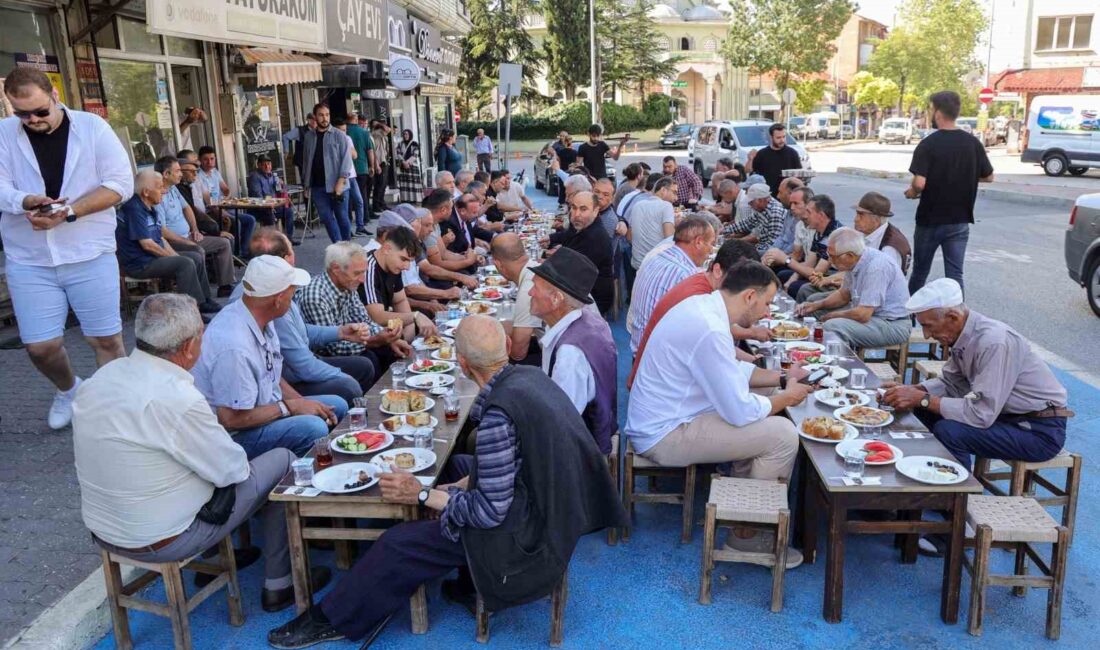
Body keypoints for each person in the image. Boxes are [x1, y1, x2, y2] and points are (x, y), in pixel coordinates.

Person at [267, 315, 626, 649]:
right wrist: (450, 488)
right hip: (553, 503)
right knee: (455, 467)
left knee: (397, 543)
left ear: (464, 365)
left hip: (528, 533)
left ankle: (333, 619)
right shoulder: (529, 378)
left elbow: (489, 513)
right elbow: (515, 463)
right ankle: (466, 584)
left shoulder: (499, 416)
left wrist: (422, 493)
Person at [72, 293, 330, 613]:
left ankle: (221, 557)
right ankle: (280, 584)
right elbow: (233, 471)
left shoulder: (101, 378)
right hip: (163, 538)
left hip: (104, 530)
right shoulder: (177, 396)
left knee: (188, 468)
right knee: (282, 461)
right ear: (189, 346)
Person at [626, 261, 811, 566]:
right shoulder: (710, 327)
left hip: (669, 415)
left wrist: (780, 379)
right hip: (665, 433)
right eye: (766, 303)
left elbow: (730, 369)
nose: (767, 312)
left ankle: (742, 494)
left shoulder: (705, 307)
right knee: (783, 435)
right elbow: (739, 412)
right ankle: (747, 538)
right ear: (750, 296)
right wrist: (787, 397)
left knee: (766, 399)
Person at [0, 67, 132, 429]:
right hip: (29, 258)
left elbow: (121, 184)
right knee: (40, 347)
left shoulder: (92, 128)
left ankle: (114, 409)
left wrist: (69, 212)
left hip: (90, 252)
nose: (33, 120)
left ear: (55, 95)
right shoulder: (4, 135)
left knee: (106, 339)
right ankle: (69, 389)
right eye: (22, 114)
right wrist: (24, 200)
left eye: (40, 111)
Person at [882, 278, 1071, 469]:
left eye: (929, 326)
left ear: (953, 317)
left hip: (1037, 430)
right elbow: (951, 384)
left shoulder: (994, 342)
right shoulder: (963, 334)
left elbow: (981, 414)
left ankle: (957, 493)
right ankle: (922, 469)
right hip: (1004, 416)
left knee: (949, 431)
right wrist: (912, 391)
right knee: (922, 409)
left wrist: (922, 398)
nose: (926, 335)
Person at [191, 256, 348, 458]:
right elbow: (230, 419)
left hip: (261, 411)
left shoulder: (259, 316)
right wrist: (290, 407)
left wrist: (301, 404)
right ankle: (294, 480)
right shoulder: (234, 345)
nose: (292, 302)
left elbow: (270, 373)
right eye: (292, 295)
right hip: (232, 438)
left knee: (336, 404)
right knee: (313, 427)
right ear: (278, 299)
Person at [240, 229, 377, 402]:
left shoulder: (272, 289)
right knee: (348, 387)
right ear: (281, 260)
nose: (293, 256)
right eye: (290, 250)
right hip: (287, 378)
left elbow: (301, 331)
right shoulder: (273, 300)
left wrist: (340, 332)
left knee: (365, 364)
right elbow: (303, 365)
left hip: (289, 370)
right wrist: (341, 376)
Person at [627, 239, 762, 388]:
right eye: (739, 281)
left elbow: (719, 347)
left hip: (650, 374)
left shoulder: (700, 282)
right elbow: (723, 372)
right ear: (717, 271)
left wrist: (752, 360)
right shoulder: (699, 299)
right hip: (658, 386)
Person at [905, 90, 994, 295]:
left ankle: (906, 318)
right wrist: (967, 176)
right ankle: (958, 320)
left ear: (937, 113)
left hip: (930, 221)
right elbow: (989, 176)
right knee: (955, 275)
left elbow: (919, 183)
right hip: (959, 221)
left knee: (920, 272)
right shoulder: (973, 143)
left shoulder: (928, 144)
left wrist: (911, 192)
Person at [528, 248, 617, 454]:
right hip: (591, 429)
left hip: (580, 454)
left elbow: (559, 425)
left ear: (557, 298)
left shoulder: (570, 353)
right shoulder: (587, 319)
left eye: (535, 287)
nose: (530, 292)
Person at [117, 171, 222, 314]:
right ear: (146, 192)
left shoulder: (149, 207)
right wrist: (174, 258)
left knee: (195, 256)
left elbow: (160, 238)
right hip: (140, 263)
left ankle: (203, 300)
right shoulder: (134, 209)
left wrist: (176, 255)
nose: (164, 191)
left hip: (150, 258)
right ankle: (190, 312)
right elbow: (147, 245)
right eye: (160, 187)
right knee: (185, 264)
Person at [297, 242, 410, 368]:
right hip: (318, 359)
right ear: (335, 269)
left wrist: (388, 336)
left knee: (391, 349)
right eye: (357, 273)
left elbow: (364, 321)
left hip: (346, 342)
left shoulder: (347, 284)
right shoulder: (316, 297)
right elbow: (334, 349)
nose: (362, 279)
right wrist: (375, 340)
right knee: (367, 362)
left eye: (364, 272)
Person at [794, 228, 911, 350]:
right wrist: (816, 305)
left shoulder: (876, 268)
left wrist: (834, 315)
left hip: (892, 323)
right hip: (873, 316)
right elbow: (843, 296)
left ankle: (840, 363)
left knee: (833, 326)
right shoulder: (856, 260)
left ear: (849, 255)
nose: (830, 260)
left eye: (833, 257)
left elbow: (863, 314)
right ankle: (813, 348)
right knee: (815, 307)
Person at [628, 216, 716, 353]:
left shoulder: (658, 256)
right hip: (654, 354)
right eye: (711, 243)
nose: (711, 250)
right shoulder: (685, 274)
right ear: (698, 242)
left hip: (638, 343)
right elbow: (698, 327)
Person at [153, 156, 235, 294]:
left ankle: (225, 287)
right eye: (178, 170)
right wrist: (184, 240)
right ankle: (203, 296)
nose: (180, 174)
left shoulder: (173, 189)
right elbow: (162, 231)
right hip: (173, 242)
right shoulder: (157, 195)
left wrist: (195, 229)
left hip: (189, 236)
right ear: (166, 174)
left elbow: (187, 208)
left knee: (223, 243)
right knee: (198, 251)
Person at [360, 226, 438, 342]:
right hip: (365, 334)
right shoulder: (369, 269)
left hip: (384, 328)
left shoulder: (393, 267)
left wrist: (407, 339)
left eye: (410, 262)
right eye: (403, 259)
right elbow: (377, 316)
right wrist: (415, 316)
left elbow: (400, 301)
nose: (406, 267)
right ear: (387, 249)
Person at [547, 191, 614, 313]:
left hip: (591, 299)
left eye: (583, 209)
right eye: (573, 207)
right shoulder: (582, 224)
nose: (576, 214)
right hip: (577, 287)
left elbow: (570, 272)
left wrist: (549, 262)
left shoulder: (595, 237)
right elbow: (568, 235)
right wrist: (550, 238)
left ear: (595, 211)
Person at [770, 193, 841, 301]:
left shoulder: (833, 235)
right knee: (785, 276)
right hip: (823, 275)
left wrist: (786, 260)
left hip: (836, 278)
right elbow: (809, 264)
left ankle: (800, 313)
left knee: (797, 287)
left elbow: (817, 273)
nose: (805, 215)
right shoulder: (818, 232)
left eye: (809, 212)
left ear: (821, 215)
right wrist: (791, 280)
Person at [301, 104, 353, 243]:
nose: (324, 118)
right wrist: (306, 185)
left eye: (327, 115)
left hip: (338, 185)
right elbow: (306, 161)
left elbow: (347, 160)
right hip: (318, 186)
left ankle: (347, 247)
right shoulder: (309, 137)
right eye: (321, 115)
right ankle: (338, 247)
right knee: (326, 218)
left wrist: (340, 182)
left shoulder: (339, 135)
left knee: (342, 217)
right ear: (315, 117)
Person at [490, 233, 542, 365]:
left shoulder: (529, 288)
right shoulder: (535, 268)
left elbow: (518, 354)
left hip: (565, 362)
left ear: (498, 264)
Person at [851, 191, 911, 274]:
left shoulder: (889, 249)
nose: (856, 219)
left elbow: (879, 282)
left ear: (876, 220)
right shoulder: (869, 232)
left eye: (861, 215)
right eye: (857, 214)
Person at [627, 176, 678, 271]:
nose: (676, 198)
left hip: (637, 265)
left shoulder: (638, 205)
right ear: (663, 190)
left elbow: (629, 237)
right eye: (674, 192)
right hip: (655, 267)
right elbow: (670, 239)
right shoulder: (666, 206)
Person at [727, 183, 788, 254]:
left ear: (760, 200)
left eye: (751, 202)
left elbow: (772, 244)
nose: (749, 204)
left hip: (771, 252)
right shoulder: (761, 208)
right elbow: (746, 223)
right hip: (762, 247)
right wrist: (725, 231)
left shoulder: (774, 213)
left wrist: (751, 250)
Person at [333, 117, 368, 237]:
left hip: (352, 175)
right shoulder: (332, 141)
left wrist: (346, 144)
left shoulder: (347, 139)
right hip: (342, 177)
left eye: (345, 130)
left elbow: (355, 155)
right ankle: (347, 231)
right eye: (341, 130)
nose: (343, 133)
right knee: (345, 206)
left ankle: (360, 226)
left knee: (359, 201)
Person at [247, 156, 296, 241]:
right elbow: (258, 196)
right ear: (258, 165)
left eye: (269, 164)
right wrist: (271, 201)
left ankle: (288, 239)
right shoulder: (255, 177)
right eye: (264, 165)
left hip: (273, 206)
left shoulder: (272, 176)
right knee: (269, 213)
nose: (267, 167)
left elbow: (279, 191)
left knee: (288, 212)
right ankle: (272, 242)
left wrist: (281, 185)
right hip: (259, 209)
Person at [745, 123, 801, 196]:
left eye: (784, 137)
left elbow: (799, 174)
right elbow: (748, 171)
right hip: (767, 195)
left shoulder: (792, 153)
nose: (782, 140)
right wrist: (750, 160)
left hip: (787, 196)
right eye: (778, 138)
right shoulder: (762, 154)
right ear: (771, 137)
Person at [346, 116, 376, 233]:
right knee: (362, 195)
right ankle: (364, 219)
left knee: (347, 198)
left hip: (347, 170)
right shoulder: (364, 133)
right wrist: (371, 166)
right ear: (356, 120)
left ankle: (347, 222)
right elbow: (370, 151)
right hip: (362, 168)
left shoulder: (344, 132)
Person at [282, 114, 317, 183]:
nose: (317, 123)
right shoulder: (299, 130)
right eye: (315, 120)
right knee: (307, 183)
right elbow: (285, 137)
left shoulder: (318, 130)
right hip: (303, 162)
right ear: (309, 121)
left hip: (315, 162)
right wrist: (286, 151)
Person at [395, 128, 424, 204]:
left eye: (407, 134)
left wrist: (407, 162)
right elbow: (398, 154)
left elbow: (415, 155)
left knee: (413, 183)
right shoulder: (400, 144)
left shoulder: (414, 144)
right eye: (404, 134)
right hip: (403, 166)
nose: (405, 136)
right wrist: (403, 162)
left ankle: (416, 199)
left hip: (412, 166)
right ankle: (405, 199)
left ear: (410, 135)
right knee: (405, 183)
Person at [370, 120, 392, 212]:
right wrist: (376, 165)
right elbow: (374, 152)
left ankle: (381, 203)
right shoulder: (374, 134)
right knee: (379, 186)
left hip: (384, 161)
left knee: (383, 185)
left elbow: (389, 130)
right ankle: (376, 205)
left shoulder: (382, 134)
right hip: (378, 162)